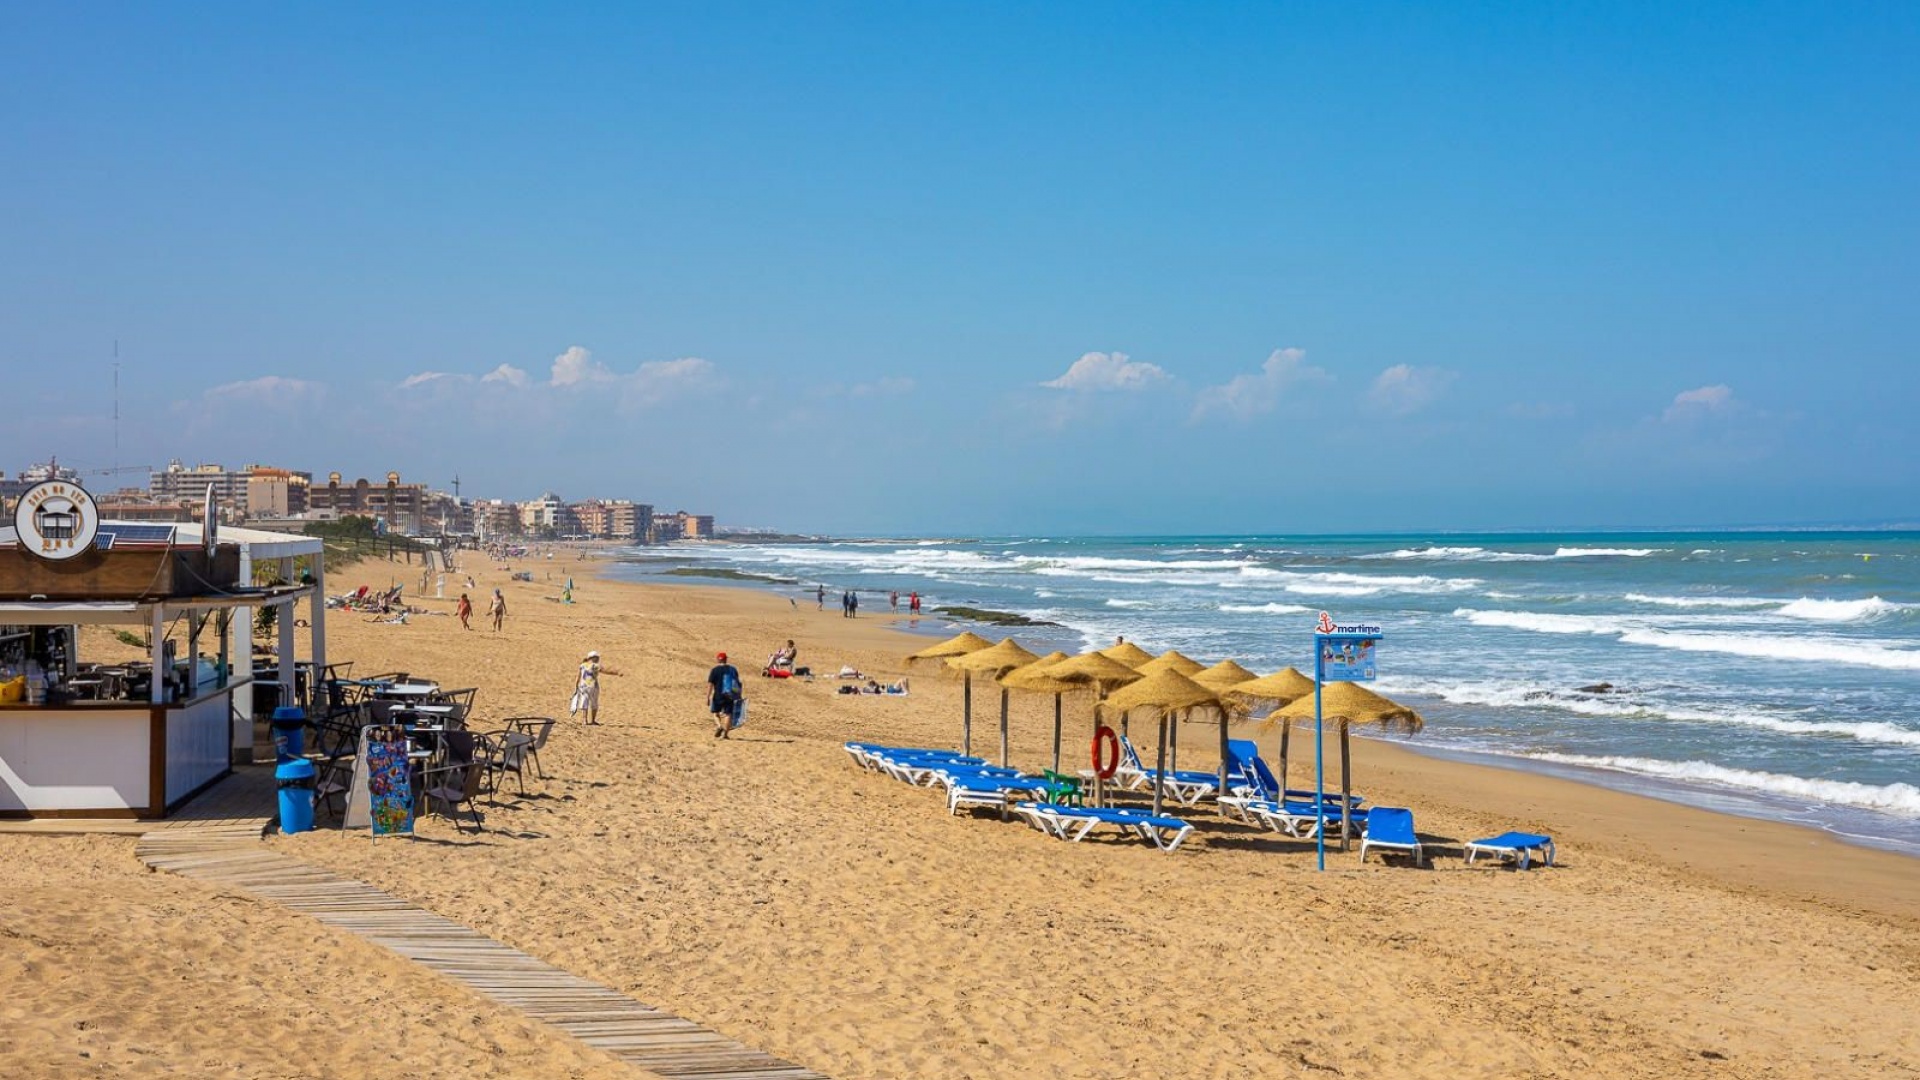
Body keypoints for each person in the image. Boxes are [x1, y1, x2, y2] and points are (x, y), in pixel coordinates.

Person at [570, 649, 622, 725]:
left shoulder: (582, 665)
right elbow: (606, 671)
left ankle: (584, 720)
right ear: (593, 658)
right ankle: (593, 720)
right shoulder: (595, 665)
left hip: (583, 686)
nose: (598, 659)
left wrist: (576, 685)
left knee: (584, 702)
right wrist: (616, 673)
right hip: (593, 686)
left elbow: (578, 677)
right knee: (594, 703)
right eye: (597, 657)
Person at [707, 652, 743, 738]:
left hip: (718, 695)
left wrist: (707, 697)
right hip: (730, 695)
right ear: (726, 659)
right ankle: (725, 735)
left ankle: (719, 726)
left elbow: (710, 685)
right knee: (728, 714)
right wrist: (739, 694)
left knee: (715, 713)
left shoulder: (714, 670)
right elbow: (737, 683)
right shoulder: (733, 669)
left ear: (718, 660)